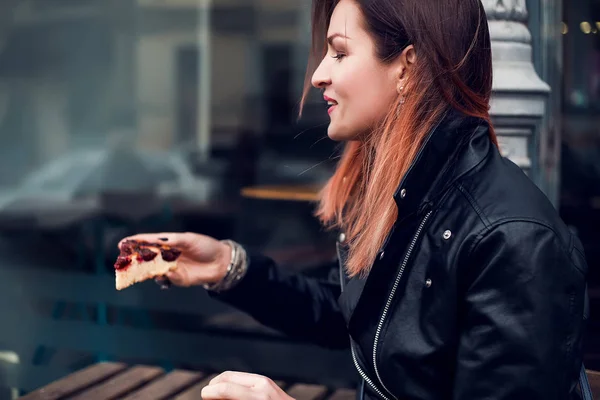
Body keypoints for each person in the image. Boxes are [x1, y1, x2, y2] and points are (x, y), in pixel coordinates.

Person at [120, 0, 590, 398]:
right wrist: (227, 266)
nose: (319, 74)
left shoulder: (512, 240)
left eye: (339, 53)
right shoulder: (404, 195)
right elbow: (353, 313)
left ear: (407, 66)